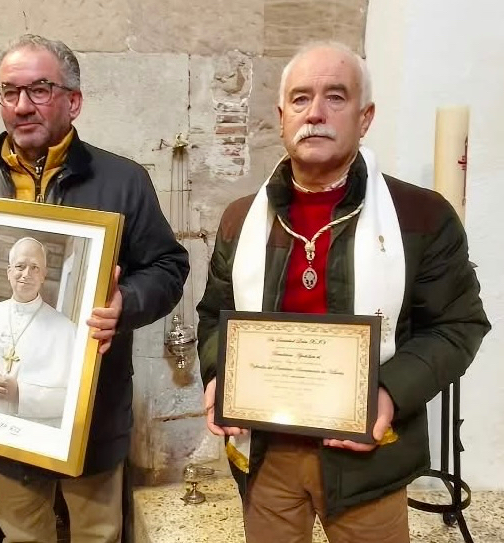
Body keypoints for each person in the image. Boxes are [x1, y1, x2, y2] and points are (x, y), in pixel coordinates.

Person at [196, 41, 490, 543]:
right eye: (300, 98)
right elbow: (215, 315)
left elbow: (458, 324)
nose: (315, 113)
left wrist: (388, 393)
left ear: (365, 116)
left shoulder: (420, 216)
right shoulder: (241, 219)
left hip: (367, 458)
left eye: (336, 97)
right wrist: (221, 374)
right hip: (267, 453)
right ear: (282, 115)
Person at [0, 34, 189, 542]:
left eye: (39, 90)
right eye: (9, 92)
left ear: (73, 101)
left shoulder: (124, 180)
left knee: (97, 534)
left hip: (93, 411)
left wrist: (126, 304)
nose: (22, 106)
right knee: (21, 534)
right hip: (1, 422)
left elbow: (169, 266)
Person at [0, 236, 77, 427]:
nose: (26, 274)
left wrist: (21, 394)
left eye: (35, 267)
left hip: (30, 435)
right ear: (9, 271)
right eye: (20, 266)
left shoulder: (67, 331)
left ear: (44, 275)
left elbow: (73, 396)